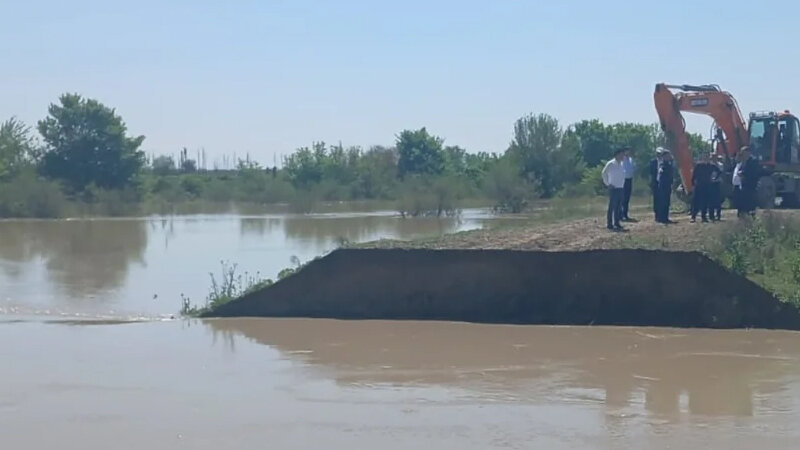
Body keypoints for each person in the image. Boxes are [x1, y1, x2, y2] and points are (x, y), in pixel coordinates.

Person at [602, 148, 627, 231]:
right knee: (612, 206)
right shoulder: (611, 163)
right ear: (617, 154)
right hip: (613, 187)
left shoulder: (622, 164)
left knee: (619, 206)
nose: (623, 156)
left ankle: (617, 222)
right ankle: (610, 223)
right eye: (622, 154)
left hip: (620, 187)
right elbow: (604, 173)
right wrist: (607, 184)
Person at [690, 153, 714, 223]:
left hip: (707, 185)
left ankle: (704, 217)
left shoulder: (711, 166)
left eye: (708, 157)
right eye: (705, 157)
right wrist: (693, 184)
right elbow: (694, 175)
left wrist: (714, 178)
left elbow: (718, 172)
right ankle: (693, 216)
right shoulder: (698, 166)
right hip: (699, 185)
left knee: (705, 202)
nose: (706, 159)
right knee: (696, 202)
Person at [739, 146, 760, 217]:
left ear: (748, 153)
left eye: (744, 153)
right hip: (744, 186)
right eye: (742, 153)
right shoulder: (743, 162)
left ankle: (751, 217)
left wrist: (743, 173)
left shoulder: (754, 161)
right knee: (744, 204)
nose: (743, 155)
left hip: (751, 186)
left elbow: (754, 173)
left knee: (751, 203)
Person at [655, 150, 675, 224]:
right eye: (667, 156)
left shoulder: (669, 164)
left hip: (668, 185)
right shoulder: (662, 164)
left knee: (667, 202)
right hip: (663, 186)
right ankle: (661, 217)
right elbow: (661, 171)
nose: (669, 157)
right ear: (664, 156)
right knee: (662, 202)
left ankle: (665, 217)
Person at [649, 148, 665, 222]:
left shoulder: (665, 162)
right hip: (655, 182)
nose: (659, 155)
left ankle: (662, 215)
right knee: (656, 199)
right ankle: (657, 215)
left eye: (660, 154)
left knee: (662, 199)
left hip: (663, 183)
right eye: (658, 153)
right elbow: (650, 172)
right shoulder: (653, 162)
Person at [621, 147, 636, 221]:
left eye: (629, 151)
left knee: (627, 198)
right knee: (622, 198)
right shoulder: (621, 160)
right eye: (626, 151)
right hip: (623, 180)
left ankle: (625, 214)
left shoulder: (631, 160)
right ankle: (620, 215)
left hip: (629, 180)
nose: (628, 152)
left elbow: (634, 168)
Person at [709, 154, 724, 221]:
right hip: (710, 184)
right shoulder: (709, 166)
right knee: (711, 200)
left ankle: (718, 215)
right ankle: (711, 215)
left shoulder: (720, 165)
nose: (713, 159)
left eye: (714, 157)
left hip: (717, 183)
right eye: (712, 157)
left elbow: (721, 173)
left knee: (718, 200)